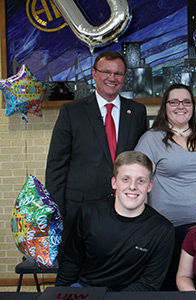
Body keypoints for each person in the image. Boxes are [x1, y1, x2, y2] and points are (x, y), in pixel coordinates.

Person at [45, 51, 147, 242]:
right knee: (79, 267)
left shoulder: (137, 112)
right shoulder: (71, 111)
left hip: (125, 206)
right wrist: (56, 210)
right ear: (94, 74)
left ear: (124, 77)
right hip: (80, 210)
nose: (112, 78)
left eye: (118, 74)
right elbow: (56, 165)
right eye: (106, 72)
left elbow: (141, 161)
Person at [55, 151, 175, 291]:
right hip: (87, 291)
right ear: (114, 183)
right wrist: (59, 293)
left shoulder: (162, 229)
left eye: (141, 181)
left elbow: (148, 283)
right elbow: (71, 261)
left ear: (149, 186)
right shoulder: (89, 213)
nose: (132, 186)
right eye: (125, 179)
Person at [135, 83, 196, 290]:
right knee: (172, 286)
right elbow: (139, 183)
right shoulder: (151, 139)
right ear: (165, 106)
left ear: (192, 106)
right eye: (174, 101)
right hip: (169, 229)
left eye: (186, 101)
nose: (181, 106)